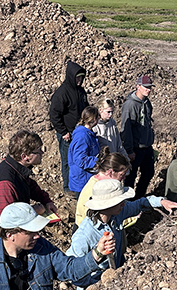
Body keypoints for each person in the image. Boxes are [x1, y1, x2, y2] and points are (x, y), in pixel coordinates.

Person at [67, 179, 177, 290]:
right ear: (106, 205)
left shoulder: (116, 213)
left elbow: (140, 204)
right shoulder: (84, 234)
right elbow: (70, 269)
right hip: (95, 289)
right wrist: (94, 285)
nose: (123, 203)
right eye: (119, 201)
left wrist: (162, 202)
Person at [0, 130, 59, 248]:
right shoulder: (5, 184)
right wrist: (34, 211)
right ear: (25, 157)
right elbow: (10, 219)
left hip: (17, 238)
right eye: (38, 151)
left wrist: (46, 200)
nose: (42, 153)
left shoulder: (17, 169)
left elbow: (30, 185)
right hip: (2, 244)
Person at [49, 61, 89, 195]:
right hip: (67, 133)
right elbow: (54, 115)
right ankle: (68, 187)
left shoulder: (81, 91)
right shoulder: (62, 93)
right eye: (77, 77)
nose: (80, 80)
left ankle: (78, 185)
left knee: (79, 159)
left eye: (81, 77)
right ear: (71, 76)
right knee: (67, 160)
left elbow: (86, 108)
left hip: (79, 132)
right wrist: (63, 131)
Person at [120, 74, 155, 198]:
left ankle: (139, 198)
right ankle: (128, 202)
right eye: (146, 87)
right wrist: (129, 150)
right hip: (136, 147)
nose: (148, 90)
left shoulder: (146, 102)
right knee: (130, 176)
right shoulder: (130, 105)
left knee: (148, 173)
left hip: (146, 146)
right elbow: (126, 129)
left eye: (150, 87)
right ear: (138, 86)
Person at [75, 149, 130, 225]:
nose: (123, 178)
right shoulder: (95, 190)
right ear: (110, 172)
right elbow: (91, 221)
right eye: (121, 175)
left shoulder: (103, 184)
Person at [67, 106, 100, 195]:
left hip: (86, 178)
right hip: (82, 180)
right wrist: (98, 161)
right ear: (94, 119)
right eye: (98, 117)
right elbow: (80, 159)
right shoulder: (82, 136)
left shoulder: (87, 133)